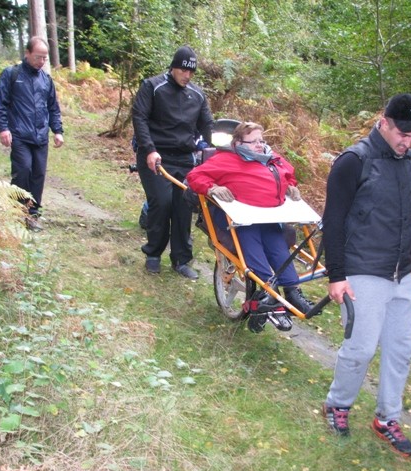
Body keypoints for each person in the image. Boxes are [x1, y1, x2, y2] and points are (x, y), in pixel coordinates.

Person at [321, 93, 411, 457]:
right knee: (362, 347)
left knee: (401, 348)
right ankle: (337, 404)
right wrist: (336, 275)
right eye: (403, 133)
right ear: (384, 122)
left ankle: (386, 418)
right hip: (363, 267)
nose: (407, 141)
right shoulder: (354, 161)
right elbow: (333, 221)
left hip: (400, 272)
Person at [186, 121, 314, 332]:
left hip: (268, 215)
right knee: (250, 236)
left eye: (261, 140)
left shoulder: (272, 159)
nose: (258, 145)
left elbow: (288, 174)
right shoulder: (227, 159)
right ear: (239, 143)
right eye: (253, 141)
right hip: (236, 216)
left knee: (276, 242)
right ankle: (267, 288)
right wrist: (212, 188)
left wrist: (290, 186)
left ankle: (292, 290)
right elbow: (195, 176)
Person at [132, 46, 213, 280]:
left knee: (183, 206)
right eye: (183, 70)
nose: (187, 76)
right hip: (155, 156)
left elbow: (207, 125)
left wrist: (213, 147)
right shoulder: (153, 87)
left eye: (191, 72)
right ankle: (153, 254)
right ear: (173, 67)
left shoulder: (197, 95)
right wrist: (149, 150)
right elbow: (140, 118)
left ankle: (181, 260)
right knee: (162, 202)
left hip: (185, 159)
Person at [0, 37, 64, 231]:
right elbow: (0, 103)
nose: (41, 61)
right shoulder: (12, 74)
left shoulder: (46, 80)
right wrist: (3, 128)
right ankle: (16, 210)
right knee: (23, 171)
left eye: (44, 58)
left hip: (40, 137)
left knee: (38, 176)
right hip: (19, 135)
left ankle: (33, 216)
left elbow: (53, 108)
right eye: (38, 57)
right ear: (27, 53)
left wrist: (57, 131)